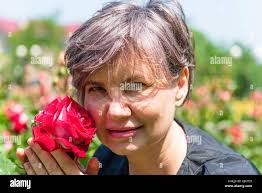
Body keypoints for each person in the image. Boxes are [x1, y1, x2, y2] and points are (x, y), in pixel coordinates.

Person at [17, 0, 260, 175]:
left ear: (180, 85)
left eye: (135, 86)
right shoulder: (106, 160)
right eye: (97, 89)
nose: (114, 111)